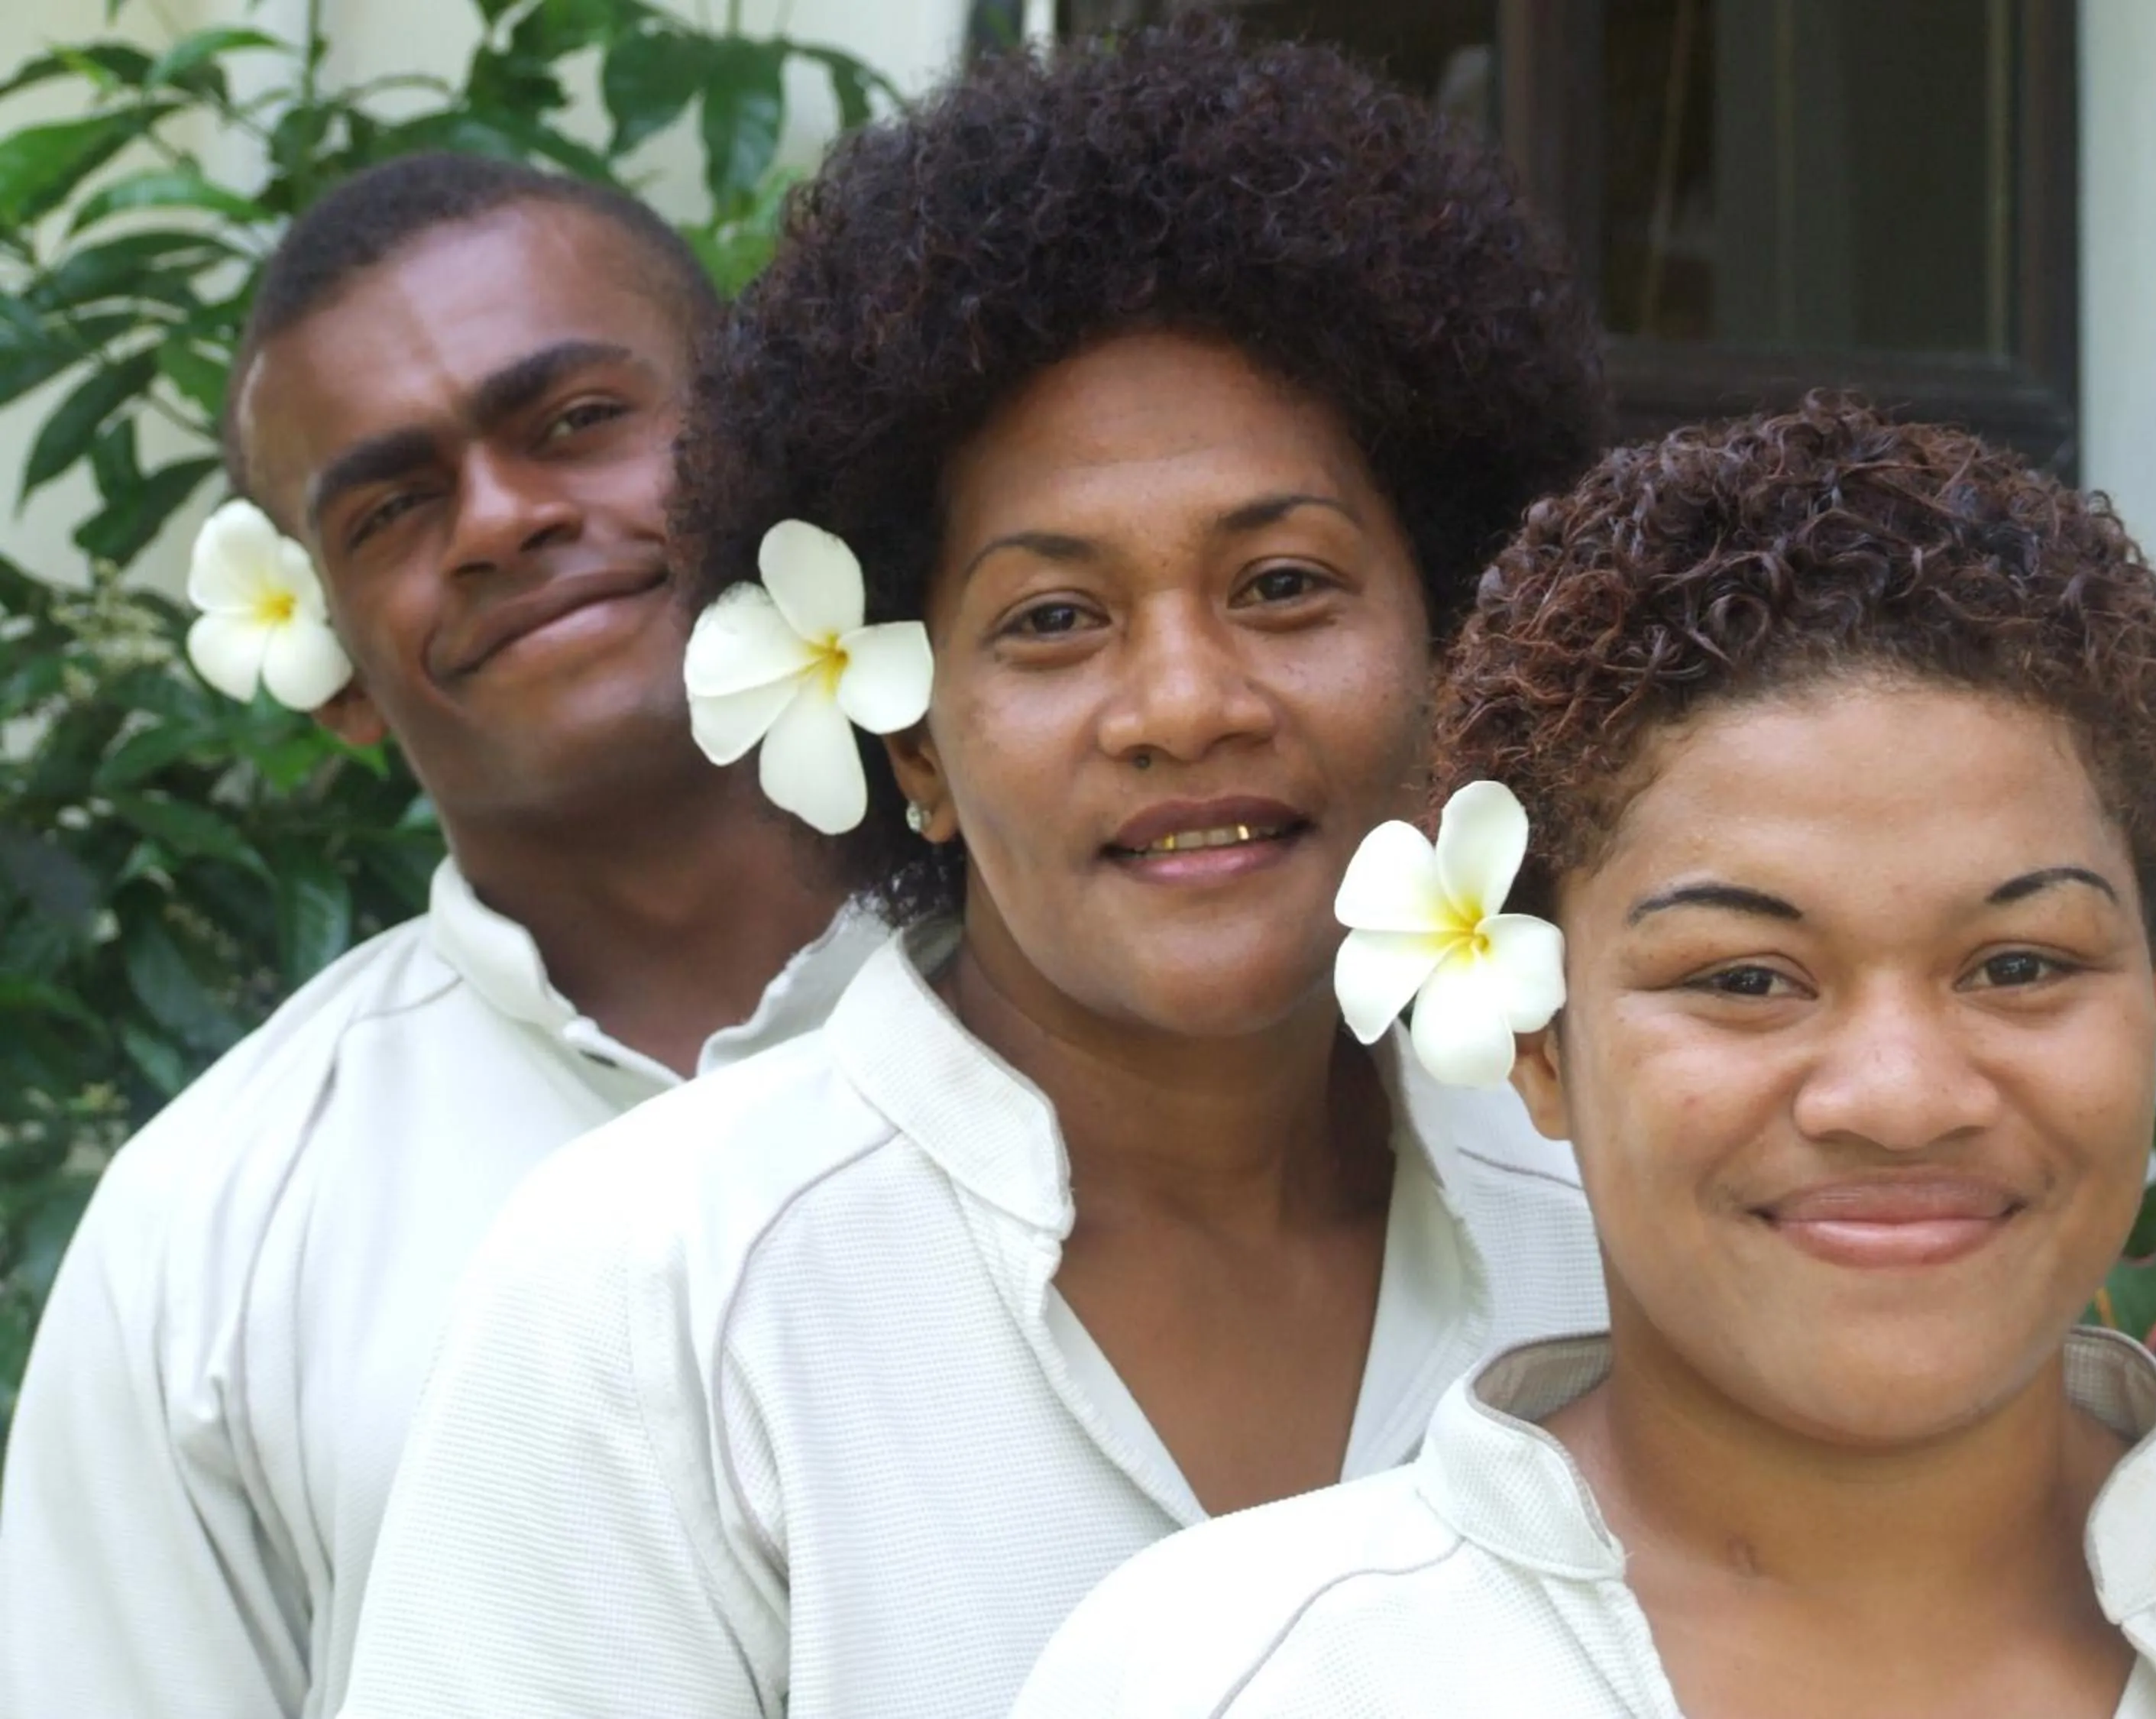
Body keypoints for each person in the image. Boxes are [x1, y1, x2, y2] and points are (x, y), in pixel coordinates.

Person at [338, 22, 1611, 1719]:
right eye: (1055, 619)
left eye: (1286, 585)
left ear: (1449, 645)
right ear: (915, 742)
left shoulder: (1617, 1219)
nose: (1182, 703)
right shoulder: (659, 1302)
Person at [1009, 397, 2156, 1719]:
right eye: (1745, 979)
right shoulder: (1228, 1680)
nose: (1901, 1095)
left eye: (2018, 965)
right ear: (1537, 1039)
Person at [0, 154, 884, 1719]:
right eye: (394, 506)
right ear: (331, 670)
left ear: (776, 444)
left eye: (577, 423)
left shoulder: (1125, 1025)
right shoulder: (197, 1249)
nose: (498, 519)